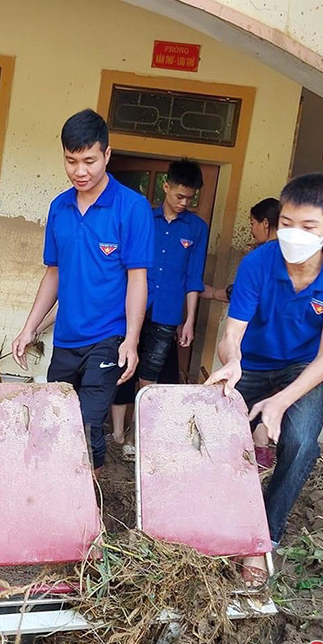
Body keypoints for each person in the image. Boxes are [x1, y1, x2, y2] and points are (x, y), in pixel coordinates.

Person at [204, 174, 323, 586]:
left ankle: (262, 538)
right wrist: (231, 360)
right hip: (251, 363)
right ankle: (212, 521)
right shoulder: (257, 263)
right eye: (287, 223)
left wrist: (280, 401)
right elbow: (232, 334)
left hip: (302, 368)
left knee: (302, 442)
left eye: (308, 226)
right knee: (214, 434)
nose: (294, 234)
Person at [11, 109, 152, 471]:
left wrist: (131, 340)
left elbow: (138, 279)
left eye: (89, 161)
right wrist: (29, 328)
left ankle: (89, 495)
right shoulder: (60, 207)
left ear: (107, 155)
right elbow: (53, 275)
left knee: (87, 425)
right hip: (67, 337)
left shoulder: (131, 207)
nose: (80, 171)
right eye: (71, 161)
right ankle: (61, 488)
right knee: (58, 419)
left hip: (108, 336)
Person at [108, 159, 209, 458]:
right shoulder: (144, 218)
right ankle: (116, 433)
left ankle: (136, 436)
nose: (184, 203)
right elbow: (123, 267)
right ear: (166, 187)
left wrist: (189, 320)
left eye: (190, 198)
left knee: (149, 375)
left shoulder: (197, 228)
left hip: (167, 312)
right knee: (123, 367)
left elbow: (194, 278)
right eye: (180, 196)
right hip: (131, 306)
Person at [201, 197, 279, 304]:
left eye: (252, 223)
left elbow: (246, 291)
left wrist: (213, 293)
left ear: (265, 223)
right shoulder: (289, 252)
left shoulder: (261, 256)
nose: (251, 230)